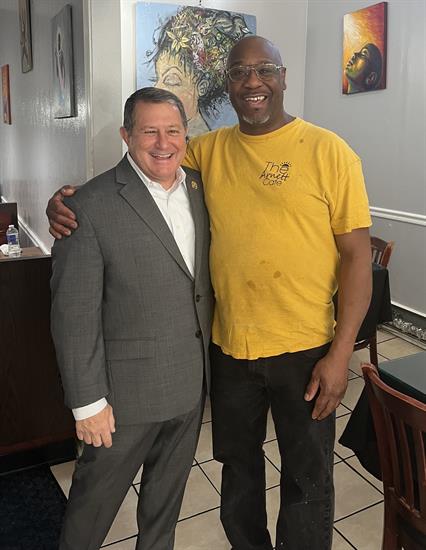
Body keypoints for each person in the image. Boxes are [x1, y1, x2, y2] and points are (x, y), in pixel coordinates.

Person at [47, 36, 373, 550]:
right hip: (228, 352)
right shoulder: (207, 151)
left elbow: (357, 256)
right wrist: (68, 203)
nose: (253, 82)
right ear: (227, 85)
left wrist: (341, 353)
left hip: (306, 350)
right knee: (238, 477)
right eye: (240, 72)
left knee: (308, 480)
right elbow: (146, 173)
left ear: (284, 77)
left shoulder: (329, 151)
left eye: (265, 69)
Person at [50, 87, 213, 550]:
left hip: (187, 387)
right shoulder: (88, 206)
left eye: (173, 131)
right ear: (126, 135)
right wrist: (87, 404)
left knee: (163, 514)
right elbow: (71, 313)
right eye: (149, 132)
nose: (163, 143)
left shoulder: (201, 189)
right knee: (90, 514)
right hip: (120, 404)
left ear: (186, 134)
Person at [148, 6, 251, 136]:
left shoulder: (205, 147)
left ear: (202, 87)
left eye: (171, 81)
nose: (157, 88)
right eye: (156, 79)